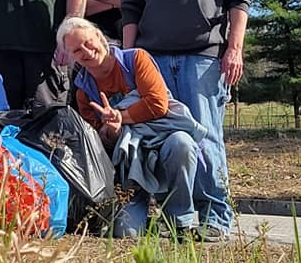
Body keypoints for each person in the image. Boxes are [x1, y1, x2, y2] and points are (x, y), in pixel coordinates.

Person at [122, 0, 253, 241]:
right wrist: (130, 59)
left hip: (204, 57)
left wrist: (234, 48)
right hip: (154, 59)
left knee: (206, 137)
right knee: (164, 139)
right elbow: (131, 2)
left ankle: (216, 219)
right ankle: (174, 218)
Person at [57, 17, 204, 239]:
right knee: (126, 232)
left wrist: (121, 116)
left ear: (99, 36)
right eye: (77, 50)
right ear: (70, 56)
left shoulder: (136, 59)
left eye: (88, 42)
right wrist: (112, 130)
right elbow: (100, 143)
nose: (86, 51)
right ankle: (150, 220)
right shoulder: (83, 92)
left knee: (181, 144)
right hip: (128, 163)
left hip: (164, 141)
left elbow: (158, 104)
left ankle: (179, 221)